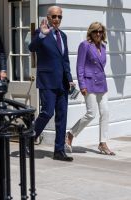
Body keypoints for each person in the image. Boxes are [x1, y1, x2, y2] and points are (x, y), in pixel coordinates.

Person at [29, 6, 75, 162]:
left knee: (62, 117)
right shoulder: (41, 33)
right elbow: (31, 47)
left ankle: (59, 151)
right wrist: (41, 34)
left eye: (59, 17)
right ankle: (29, 138)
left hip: (62, 83)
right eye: (54, 16)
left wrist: (69, 79)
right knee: (47, 112)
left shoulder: (63, 36)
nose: (57, 19)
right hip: (47, 81)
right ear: (48, 17)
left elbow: (65, 60)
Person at [65, 22, 115, 155]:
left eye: (100, 31)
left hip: (102, 84)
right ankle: (70, 135)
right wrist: (82, 85)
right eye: (95, 31)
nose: (98, 34)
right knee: (91, 113)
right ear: (90, 33)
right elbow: (79, 66)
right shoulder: (85, 45)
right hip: (89, 83)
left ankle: (102, 143)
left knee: (105, 112)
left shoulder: (103, 47)